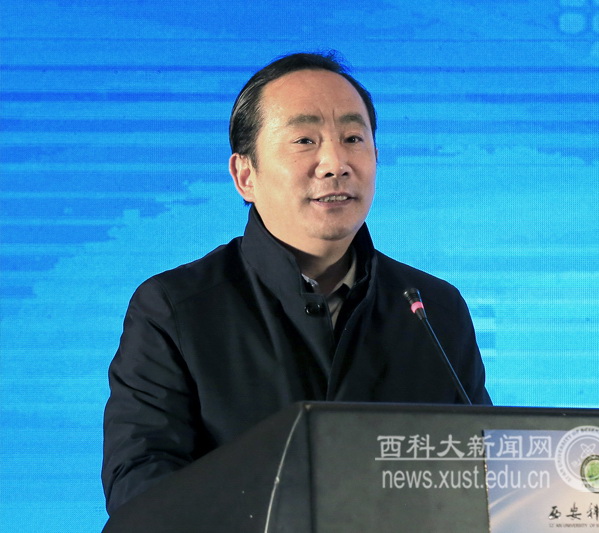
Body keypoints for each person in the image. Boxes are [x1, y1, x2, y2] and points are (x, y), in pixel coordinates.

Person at [101, 51, 491, 515]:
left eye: (353, 138)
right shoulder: (175, 308)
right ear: (245, 175)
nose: (335, 163)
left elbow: (485, 475)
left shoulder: (433, 309)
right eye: (305, 140)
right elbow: (140, 487)